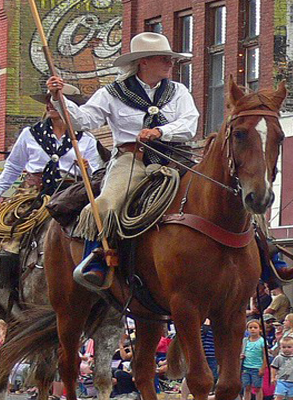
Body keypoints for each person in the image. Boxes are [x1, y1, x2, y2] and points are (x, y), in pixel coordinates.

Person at [47, 31, 199, 289]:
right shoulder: (112, 93)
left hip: (175, 156)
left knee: (222, 188)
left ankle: (267, 255)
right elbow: (82, 121)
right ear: (144, 62)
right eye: (164, 58)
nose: (170, 63)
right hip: (132, 160)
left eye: (170, 59)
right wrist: (58, 99)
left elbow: (190, 123)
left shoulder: (178, 91)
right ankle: (96, 259)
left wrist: (161, 131)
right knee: (105, 204)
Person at [0, 83, 102, 297]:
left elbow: (98, 172)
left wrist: (87, 168)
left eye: (56, 100)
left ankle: (97, 269)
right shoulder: (30, 134)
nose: (50, 104)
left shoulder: (85, 139)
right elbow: (13, 166)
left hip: (71, 191)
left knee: (95, 222)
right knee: (11, 224)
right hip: (33, 191)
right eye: (49, 100)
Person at [242, 320, 267, 400]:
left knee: (257, 388)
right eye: (250, 328)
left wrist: (263, 368)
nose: (252, 329)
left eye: (255, 327)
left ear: (260, 329)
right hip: (246, 367)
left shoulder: (262, 341)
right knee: (246, 387)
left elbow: (265, 355)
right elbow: (242, 351)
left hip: (257, 368)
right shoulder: (245, 340)